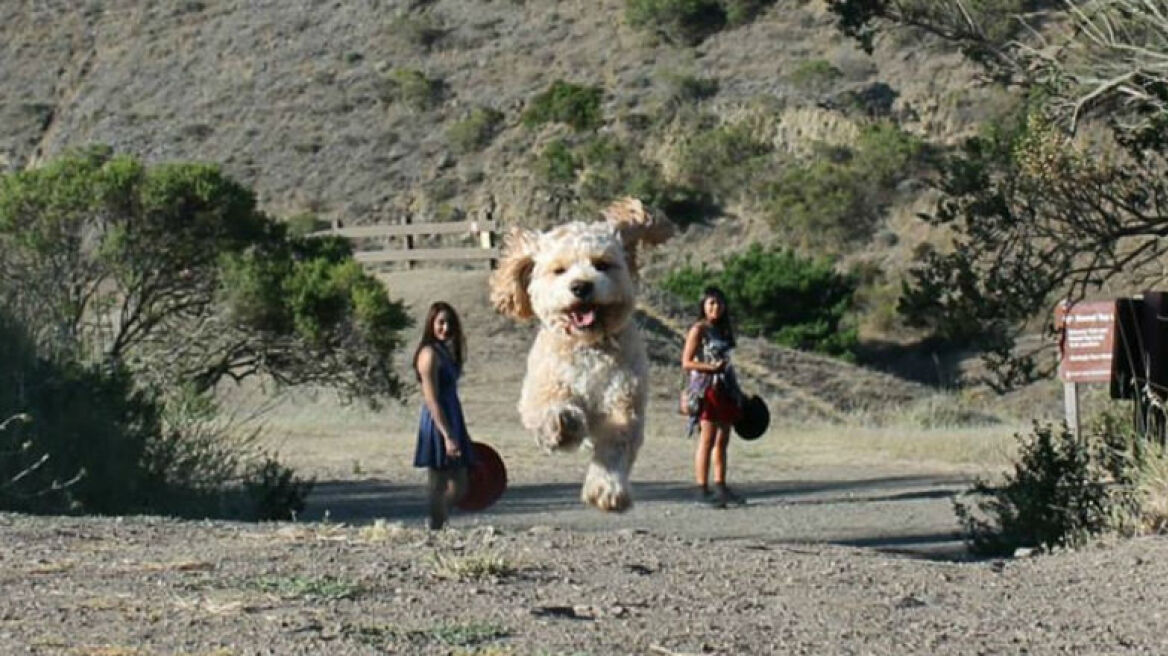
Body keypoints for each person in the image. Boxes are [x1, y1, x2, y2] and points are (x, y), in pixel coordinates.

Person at [412, 301, 475, 529]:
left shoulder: (444, 352)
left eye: (449, 323)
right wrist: (447, 435)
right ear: (431, 324)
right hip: (438, 420)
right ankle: (435, 525)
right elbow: (431, 399)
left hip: (453, 415)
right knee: (440, 480)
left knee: (460, 482)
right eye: (441, 322)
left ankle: (437, 521)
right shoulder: (428, 354)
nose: (445, 328)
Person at [681, 287, 746, 508]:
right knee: (707, 439)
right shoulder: (698, 329)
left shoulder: (723, 330)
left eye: (719, 303)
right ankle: (702, 487)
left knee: (723, 439)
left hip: (724, 388)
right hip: (705, 388)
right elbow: (687, 362)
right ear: (703, 306)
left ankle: (721, 485)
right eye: (711, 303)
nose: (715, 308)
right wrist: (709, 367)